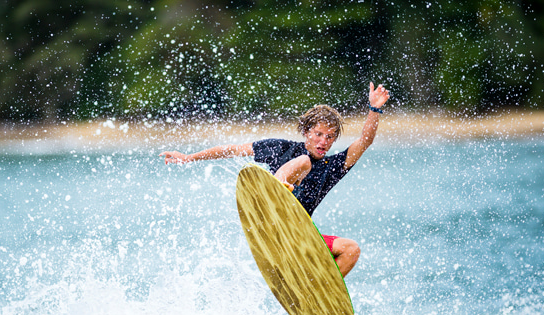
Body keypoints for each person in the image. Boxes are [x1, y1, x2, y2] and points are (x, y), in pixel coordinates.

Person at [160, 82, 390, 277]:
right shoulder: (280, 148)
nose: (323, 141)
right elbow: (232, 149)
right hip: (269, 219)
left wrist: (373, 110)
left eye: (329, 137)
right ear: (306, 132)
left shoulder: (332, 167)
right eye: (318, 134)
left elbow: (364, 141)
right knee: (304, 161)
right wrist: (190, 157)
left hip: (297, 235)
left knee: (351, 249)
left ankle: (315, 288)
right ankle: (277, 188)